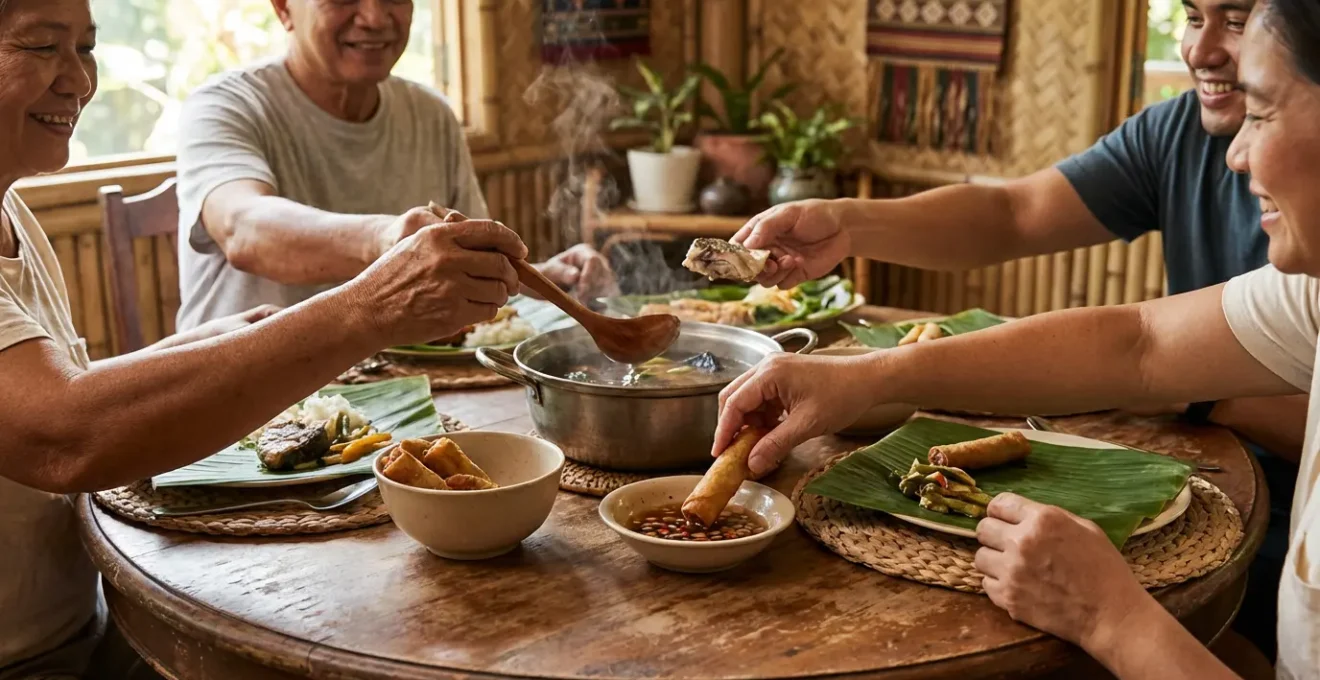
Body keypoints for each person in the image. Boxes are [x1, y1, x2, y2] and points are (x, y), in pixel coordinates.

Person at [714, 0, 1319, 675]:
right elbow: (1137, 342)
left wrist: (1107, 617)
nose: (1236, 156)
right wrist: (867, 371)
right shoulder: (1306, 291)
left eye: (1263, 111)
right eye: (1192, 14)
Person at [0, 0, 529, 676]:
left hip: (92, 619)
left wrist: (198, 347)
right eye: (42, 47)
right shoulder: (231, 102)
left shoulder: (12, 206)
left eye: (86, 48)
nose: (79, 80)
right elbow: (63, 436)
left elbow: (47, 389)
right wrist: (371, 303)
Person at [173, 0, 617, 333]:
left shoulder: (431, 114)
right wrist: (389, 238)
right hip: (243, 407)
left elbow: (470, 261)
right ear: (283, 8)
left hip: (399, 395)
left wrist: (548, 280)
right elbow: (244, 229)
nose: (374, 17)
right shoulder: (225, 105)